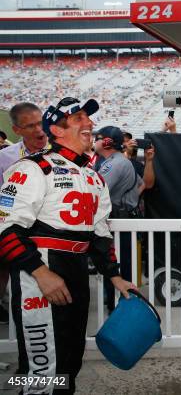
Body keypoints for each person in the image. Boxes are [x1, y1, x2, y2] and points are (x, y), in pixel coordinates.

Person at [0, 97, 136, 394]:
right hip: (39, 276)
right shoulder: (32, 168)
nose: (88, 123)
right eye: (78, 119)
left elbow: (99, 237)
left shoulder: (93, 177)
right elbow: (4, 228)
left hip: (77, 274)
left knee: (68, 363)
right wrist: (40, 273)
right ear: (56, 130)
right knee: (41, 369)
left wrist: (115, 276)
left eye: (88, 119)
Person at [94, 126, 154, 311]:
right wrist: (129, 201)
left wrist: (123, 204)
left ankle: (119, 317)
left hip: (118, 224)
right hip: (121, 220)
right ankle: (120, 313)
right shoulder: (119, 161)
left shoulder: (116, 163)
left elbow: (95, 191)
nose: (94, 141)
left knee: (119, 274)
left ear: (106, 142)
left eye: (97, 138)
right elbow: (141, 184)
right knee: (120, 271)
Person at [0, 103, 50, 324]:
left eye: (40, 123)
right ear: (17, 130)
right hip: (13, 234)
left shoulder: (59, 151)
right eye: (30, 126)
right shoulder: (5, 157)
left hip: (49, 236)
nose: (39, 130)